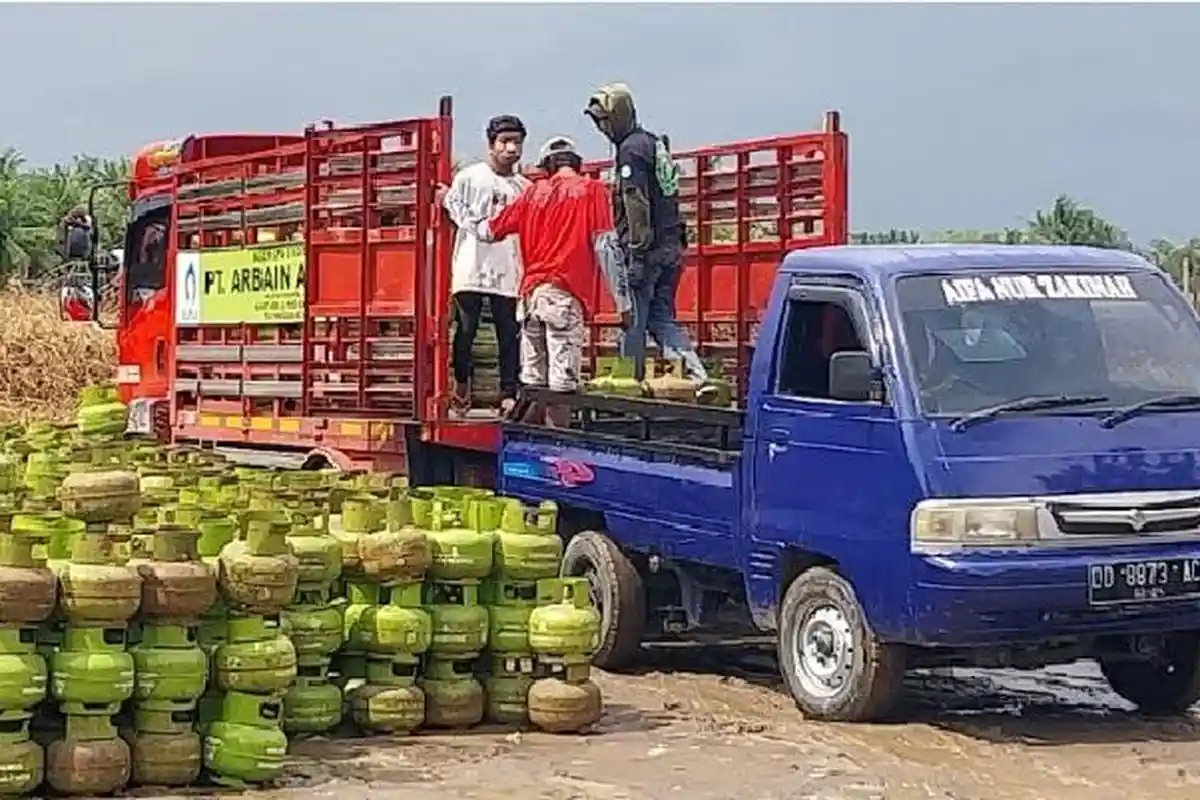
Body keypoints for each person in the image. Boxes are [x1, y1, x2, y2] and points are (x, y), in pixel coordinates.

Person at [469, 136, 631, 427]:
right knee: (562, 387)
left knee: (533, 384)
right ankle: (559, 455)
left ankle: (524, 447)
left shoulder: (532, 194)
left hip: (530, 299)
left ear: (547, 166)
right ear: (577, 163)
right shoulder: (591, 190)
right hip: (563, 297)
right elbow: (606, 247)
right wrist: (624, 304)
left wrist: (454, 208)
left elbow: (490, 230)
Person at [583, 82, 712, 398]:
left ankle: (630, 388)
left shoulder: (631, 150)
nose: (602, 128)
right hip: (671, 246)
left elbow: (636, 202)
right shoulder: (653, 144)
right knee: (661, 317)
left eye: (604, 120)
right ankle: (697, 377)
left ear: (619, 115)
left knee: (633, 320)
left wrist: (637, 254)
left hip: (648, 250)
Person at [438, 114, 531, 416]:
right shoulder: (468, 178)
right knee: (465, 330)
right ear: (491, 145)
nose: (511, 149)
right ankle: (461, 384)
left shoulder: (524, 188)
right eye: (505, 142)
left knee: (509, 333)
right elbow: (455, 207)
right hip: (471, 267)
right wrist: (480, 226)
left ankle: (508, 393)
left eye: (516, 142)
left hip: (508, 269)